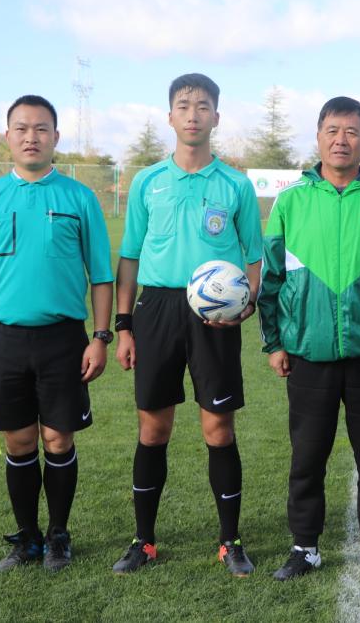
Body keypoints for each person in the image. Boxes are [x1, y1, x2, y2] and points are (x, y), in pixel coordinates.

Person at [259, 96, 360, 584]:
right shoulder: (290, 201)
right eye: (332, 130)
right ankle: (304, 547)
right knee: (307, 459)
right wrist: (274, 343)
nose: (341, 140)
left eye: (351, 131)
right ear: (318, 137)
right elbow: (271, 278)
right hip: (309, 355)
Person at [111, 74, 263, 576]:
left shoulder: (235, 184)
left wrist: (247, 303)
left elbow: (255, 256)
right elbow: (130, 256)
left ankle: (230, 540)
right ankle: (144, 541)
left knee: (218, 427)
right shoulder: (147, 182)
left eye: (202, 106)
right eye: (183, 105)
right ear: (170, 116)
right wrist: (124, 325)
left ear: (216, 117)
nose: (193, 114)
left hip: (214, 317)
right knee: (153, 428)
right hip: (157, 309)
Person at [0, 95, 114, 572]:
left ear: (56, 137)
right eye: (22, 128)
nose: (32, 137)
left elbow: (101, 276)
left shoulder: (79, 198)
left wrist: (100, 337)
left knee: (58, 440)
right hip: (2, 340)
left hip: (63, 339)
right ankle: (27, 538)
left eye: (42, 128)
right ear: (7, 137)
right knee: (19, 442)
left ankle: (58, 536)